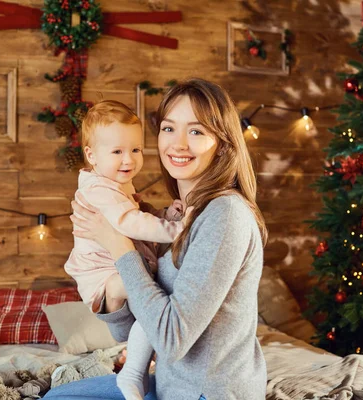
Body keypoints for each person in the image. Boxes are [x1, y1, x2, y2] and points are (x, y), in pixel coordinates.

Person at [46, 78, 268, 400]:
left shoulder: (225, 215)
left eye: (196, 131)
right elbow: (125, 329)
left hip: (207, 392)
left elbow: (170, 340)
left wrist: (121, 249)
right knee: (57, 398)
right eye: (168, 128)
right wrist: (111, 288)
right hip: (168, 385)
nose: (178, 144)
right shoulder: (170, 216)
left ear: (221, 142)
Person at [64, 99, 189, 400]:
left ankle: (135, 372)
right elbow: (129, 223)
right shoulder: (97, 188)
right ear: (91, 155)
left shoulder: (117, 185)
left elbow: (138, 218)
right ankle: (133, 373)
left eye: (135, 150)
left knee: (149, 298)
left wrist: (165, 216)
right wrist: (176, 228)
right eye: (117, 151)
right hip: (102, 273)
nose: (128, 159)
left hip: (114, 267)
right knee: (151, 291)